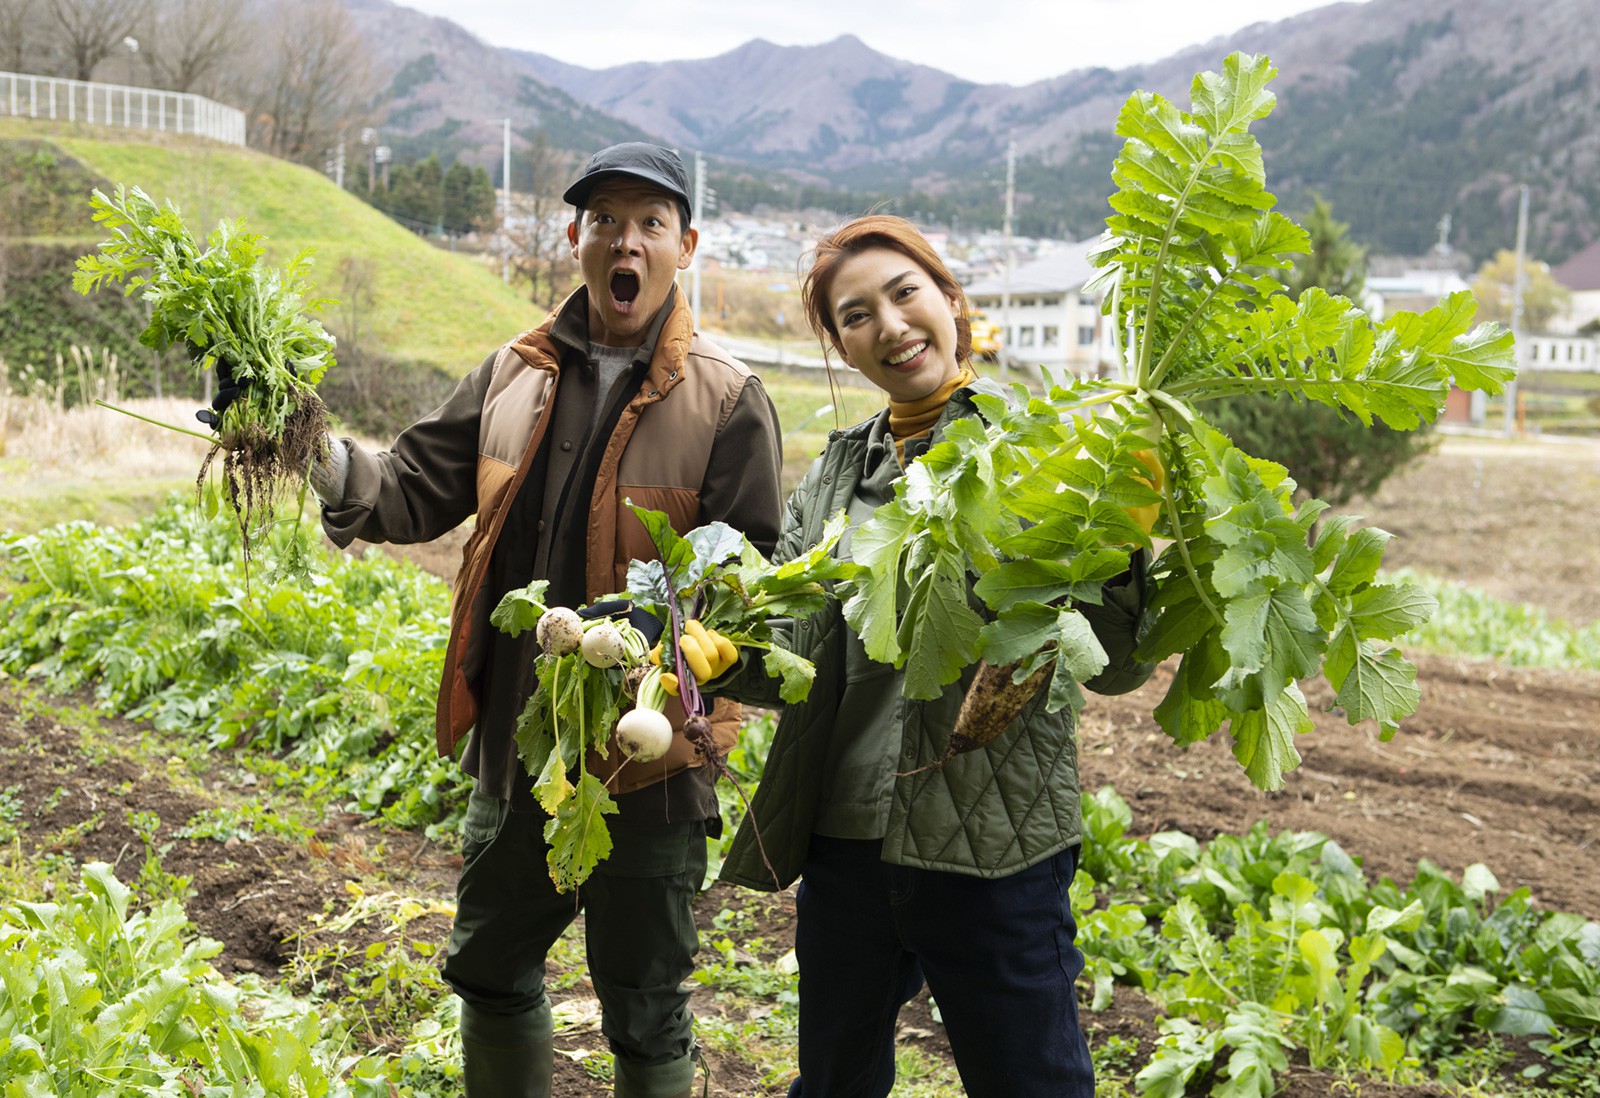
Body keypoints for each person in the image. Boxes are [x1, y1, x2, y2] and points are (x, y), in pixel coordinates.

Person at [288, 143, 783, 1098]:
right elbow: (408, 487)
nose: (623, 242)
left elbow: (745, 590)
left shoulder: (729, 399)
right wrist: (303, 442)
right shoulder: (513, 373)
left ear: (686, 246)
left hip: (650, 766)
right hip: (522, 751)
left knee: (645, 1011)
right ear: (575, 239)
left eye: (648, 223)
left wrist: (644, 630)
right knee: (488, 966)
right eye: (605, 222)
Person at [714, 215, 1155, 1098]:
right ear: (844, 347)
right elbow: (796, 659)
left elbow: (1113, 663)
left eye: (904, 292)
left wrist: (1126, 539)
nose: (889, 323)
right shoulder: (835, 479)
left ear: (951, 301)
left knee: (1032, 1085)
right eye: (856, 314)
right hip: (844, 846)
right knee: (834, 1083)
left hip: (989, 841)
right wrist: (718, 652)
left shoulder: (1046, 449)